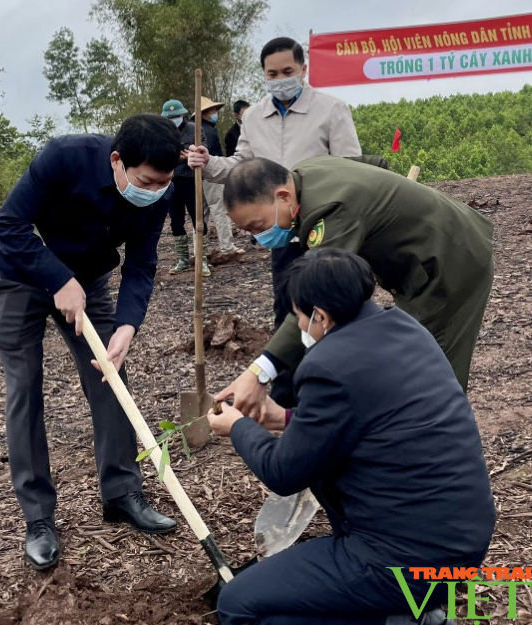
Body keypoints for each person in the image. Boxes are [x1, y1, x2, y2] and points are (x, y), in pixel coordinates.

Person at [207, 248, 495, 625]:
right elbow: (367, 423)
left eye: (298, 318)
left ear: (321, 317)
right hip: (460, 542)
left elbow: (283, 472)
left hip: (402, 559)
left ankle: (401, 619)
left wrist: (237, 427)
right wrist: (287, 418)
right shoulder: (407, 329)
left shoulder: (328, 365)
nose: (300, 327)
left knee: (239, 604)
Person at [0, 114, 180, 572]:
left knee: (111, 378)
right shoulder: (64, 157)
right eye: (148, 182)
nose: (155, 192)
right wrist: (58, 278)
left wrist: (128, 325)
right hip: (20, 278)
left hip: (88, 282)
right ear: (117, 160)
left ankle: (122, 493)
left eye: (164, 184)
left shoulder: (158, 188)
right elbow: (10, 224)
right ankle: (38, 518)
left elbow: (141, 264)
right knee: (24, 388)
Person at [215, 156, 493, 422]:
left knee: (432, 370)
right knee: (406, 365)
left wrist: (261, 372)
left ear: (283, 197)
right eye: (248, 233)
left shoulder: (331, 210)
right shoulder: (306, 171)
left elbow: (314, 297)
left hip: (448, 262)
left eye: (258, 226)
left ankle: (439, 452)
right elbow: (373, 162)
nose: (259, 238)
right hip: (418, 265)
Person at [188, 37, 361, 326]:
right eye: (272, 74)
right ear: (264, 74)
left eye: (287, 72)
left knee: (332, 301)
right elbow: (242, 166)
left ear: (303, 69)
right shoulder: (254, 117)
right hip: (280, 223)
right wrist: (209, 163)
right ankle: (289, 367)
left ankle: (335, 364)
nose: (280, 79)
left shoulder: (331, 109)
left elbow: (351, 169)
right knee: (287, 303)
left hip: (325, 223)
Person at [160, 99, 210, 276]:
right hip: (172, 182)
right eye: (170, 117)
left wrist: (191, 156)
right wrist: (179, 157)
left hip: (192, 179)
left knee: (198, 219)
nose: (174, 119)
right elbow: (162, 155)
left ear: (183, 114)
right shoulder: (163, 133)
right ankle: (183, 260)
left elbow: (203, 149)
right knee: (176, 221)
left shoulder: (194, 129)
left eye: (177, 116)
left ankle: (202, 260)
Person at [197, 95, 244, 257]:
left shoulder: (196, 129)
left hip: (197, 178)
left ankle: (199, 252)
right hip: (212, 176)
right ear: (204, 113)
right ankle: (227, 246)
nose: (215, 112)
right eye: (212, 110)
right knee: (219, 210)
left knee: (200, 213)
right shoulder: (208, 130)